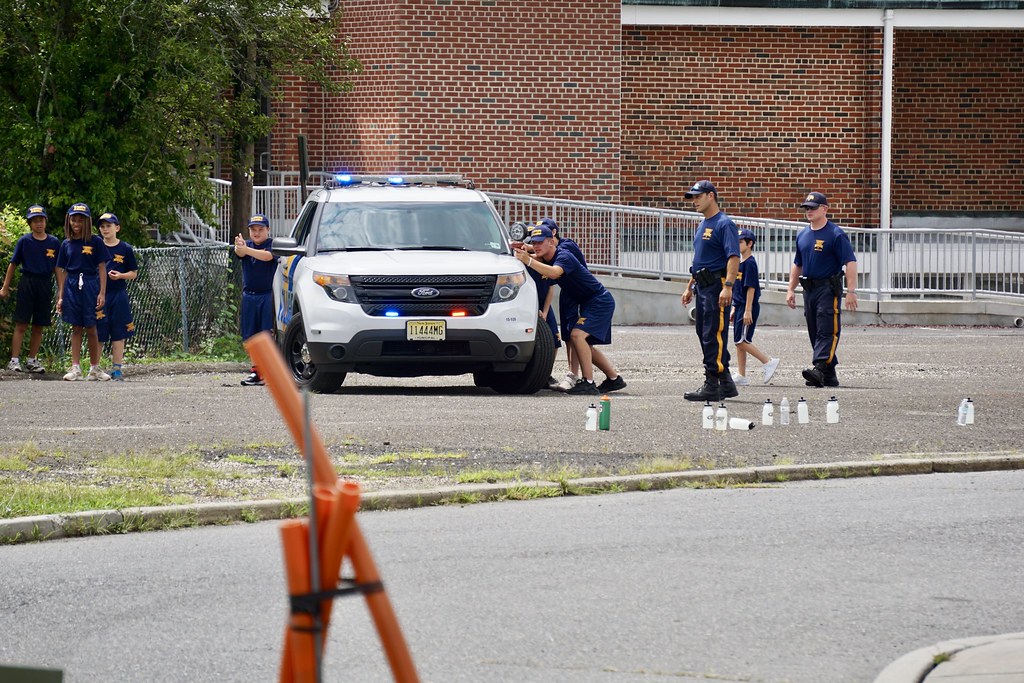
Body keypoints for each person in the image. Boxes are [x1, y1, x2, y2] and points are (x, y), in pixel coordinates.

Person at [514, 225, 625, 395]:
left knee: (576, 336)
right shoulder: (547, 254)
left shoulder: (564, 256)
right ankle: (614, 379)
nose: (536, 246)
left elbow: (553, 273)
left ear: (552, 241)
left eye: (540, 242)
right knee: (584, 344)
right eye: (534, 242)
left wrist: (528, 260)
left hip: (599, 301)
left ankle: (588, 383)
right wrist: (518, 249)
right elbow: (534, 255)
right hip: (588, 301)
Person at [785, 192, 858, 388]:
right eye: (806, 208)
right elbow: (797, 263)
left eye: (813, 208)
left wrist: (851, 291)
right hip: (809, 289)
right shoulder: (803, 234)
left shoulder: (835, 234)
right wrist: (790, 289)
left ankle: (819, 367)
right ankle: (828, 373)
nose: (809, 211)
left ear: (824, 209)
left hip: (828, 288)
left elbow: (850, 262)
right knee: (814, 330)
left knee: (827, 329)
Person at [679, 180, 740, 401]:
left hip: (717, 286)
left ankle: (712, 384)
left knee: (713, 335)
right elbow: (699, 261)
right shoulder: (703, 224)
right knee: (704, 333)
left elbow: (733, 257)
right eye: (692, 197)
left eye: (697, 196)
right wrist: (690, 287)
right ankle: (726, 383)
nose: (694, 201)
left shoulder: (724, 224)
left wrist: (728, 287)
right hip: (703, 286)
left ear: (711, 196)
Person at [1, 205, 61, 374]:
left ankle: (32, 360)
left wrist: (60, 292)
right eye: (35, 221)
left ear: (45, 221)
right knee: (21, 323)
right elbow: (13, 265)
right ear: (30, 223)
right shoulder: (24, 241)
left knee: (39, 324)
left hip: (44, 283)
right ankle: (14, 360)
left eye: (41, 220)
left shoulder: (54, 242)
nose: (38, 224)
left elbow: (58, 268)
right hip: (27, 282)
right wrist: (5, 287)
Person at [56, 202, 111, 381]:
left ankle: (95, 368)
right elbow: (63, 271)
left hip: (89, 284)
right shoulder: (66, 244)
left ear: (87, 221)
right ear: (69, 221)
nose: (77, 223)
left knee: (91, 326)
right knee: (76, 327)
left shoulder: (95, 241)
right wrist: (61, 296)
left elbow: (102, 267)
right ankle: (75, 368)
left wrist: (102, 292)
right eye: (74, 219)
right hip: (71, 284)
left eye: (80, 219)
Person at [730, 228, 780, 385]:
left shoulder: (750, 263)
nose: (737, 244)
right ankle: (741, 375)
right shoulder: (738, 262)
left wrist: (747, 310)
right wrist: (734, 307)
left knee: (741, 341)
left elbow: (751, 288)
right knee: (739, 341)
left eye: (740, 242)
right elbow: (738, 288)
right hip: (739, 306)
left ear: (750, 243)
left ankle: (768, 362)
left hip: (747, 306)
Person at [234, 213, 277, 386]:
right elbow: (239, 252)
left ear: (268, 230)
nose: (257, 233)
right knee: (251, 335)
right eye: (253, 230)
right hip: (249, 295)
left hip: (268, 295)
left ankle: (272, 370)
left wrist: (246, 250)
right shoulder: (246, 245)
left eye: (260, 229)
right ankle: (256, 371)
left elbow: (267, 256)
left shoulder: (272, 245)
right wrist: (240, 247)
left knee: (268, 333)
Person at [96, 213, 138, 381]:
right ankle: (95, 368)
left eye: (109, 226)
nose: (105, 229)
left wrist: (120, 275)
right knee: (99, 331)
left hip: (118, 294)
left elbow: (134, 274)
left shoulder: (125, 248)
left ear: (117, 228)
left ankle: (117, 369)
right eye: (102, 226)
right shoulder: (96, 246)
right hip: (99, 295)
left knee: (118, 332)